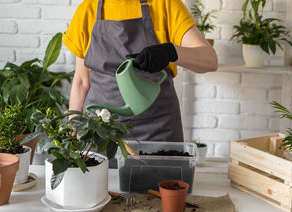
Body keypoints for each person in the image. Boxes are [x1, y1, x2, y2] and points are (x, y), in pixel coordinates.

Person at [63, 0, 218, 142]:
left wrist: (170, 51)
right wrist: (72, 134)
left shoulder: (165, 5)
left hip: (158, 130)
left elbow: (209, 60)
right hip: (101, 132)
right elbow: (82, 82)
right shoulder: (87, 10)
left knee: (164, 174)